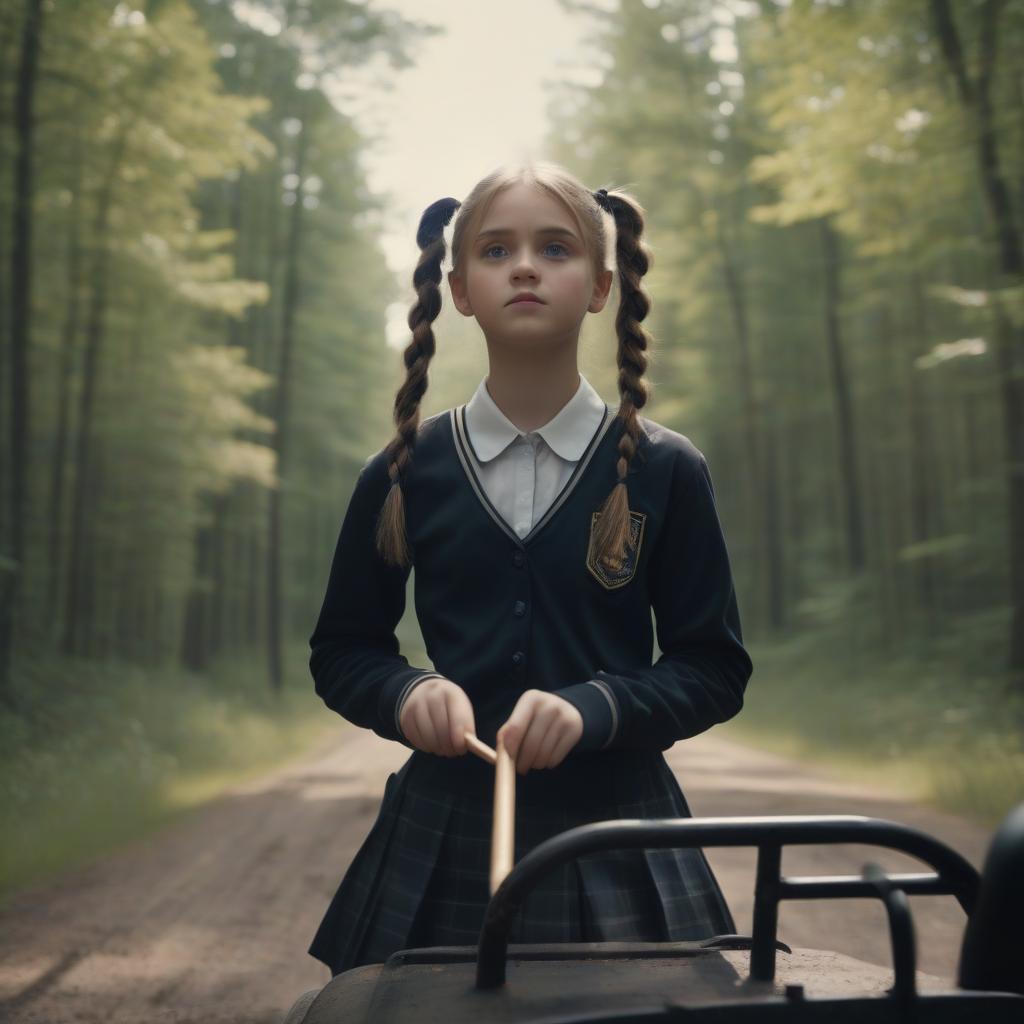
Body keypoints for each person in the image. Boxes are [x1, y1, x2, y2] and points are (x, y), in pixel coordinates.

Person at [306, 161, 753, 977]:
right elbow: (342, 651)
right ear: (461, 288)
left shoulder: (667, 470)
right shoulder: (403, 472)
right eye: (496, 249)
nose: (524, 266)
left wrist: (600, 707)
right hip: (446, 831)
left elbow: (714, 668)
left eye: (554, 248)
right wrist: (405, 693)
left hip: (618, 830)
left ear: (600, 286)